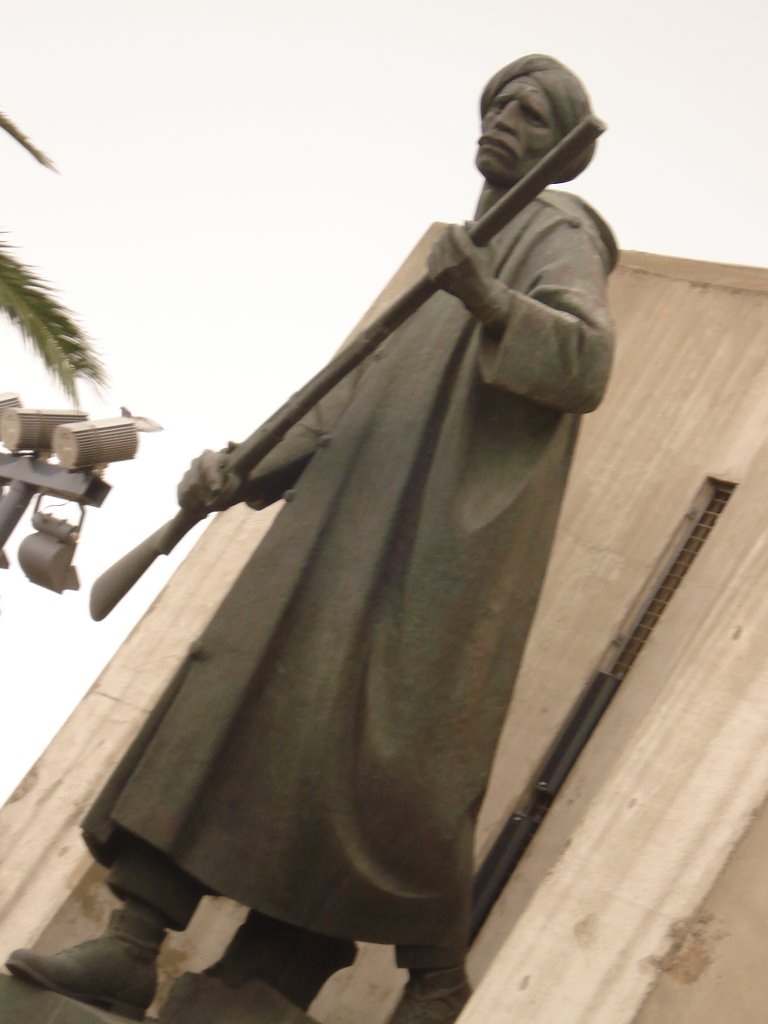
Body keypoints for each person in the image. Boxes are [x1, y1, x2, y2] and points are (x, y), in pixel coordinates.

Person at [8, 54, 617, 1024]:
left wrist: (488, 297)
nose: (505, 117)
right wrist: (241, 468)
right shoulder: (452, 257)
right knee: (233, 695)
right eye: (498, 101)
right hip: (330, 540)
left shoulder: (559, 232)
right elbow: (344, 398)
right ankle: (133, 943)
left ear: (564, 148)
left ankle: (273, 978)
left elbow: (584, 359)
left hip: (424, 563)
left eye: (533, 111)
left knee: (368, 765)